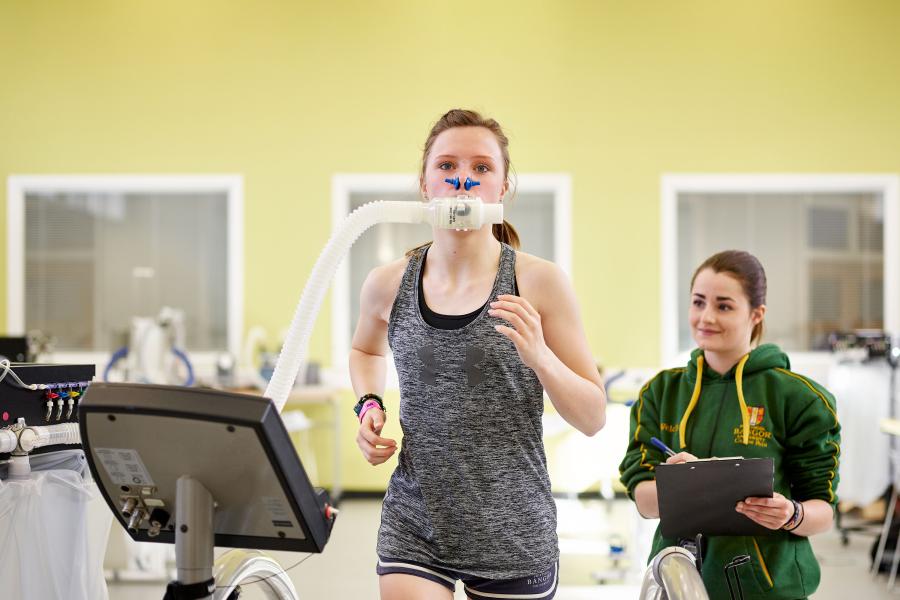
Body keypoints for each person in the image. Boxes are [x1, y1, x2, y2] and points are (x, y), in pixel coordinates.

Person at [349, 108, 606, 600]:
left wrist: (541, 359)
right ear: (424, 184)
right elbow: (365, 349)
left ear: (504, 186)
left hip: (513, 531)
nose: (462, 181)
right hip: (416, 521)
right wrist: (369, 404)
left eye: (482, 168)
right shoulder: (387, 282)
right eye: (446, 166)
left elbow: (593, 417)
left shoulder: (538, 282)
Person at [619, 250, 841, 599]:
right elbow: (644, 502)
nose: (706, 317)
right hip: (678, 584)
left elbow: (823, 511)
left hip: (766, 589)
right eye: (698, 302)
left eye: (724, 306)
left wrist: (791, 514)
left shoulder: (800, 398)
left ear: (756, 314)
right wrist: (689, 485)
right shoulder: (661, 393)